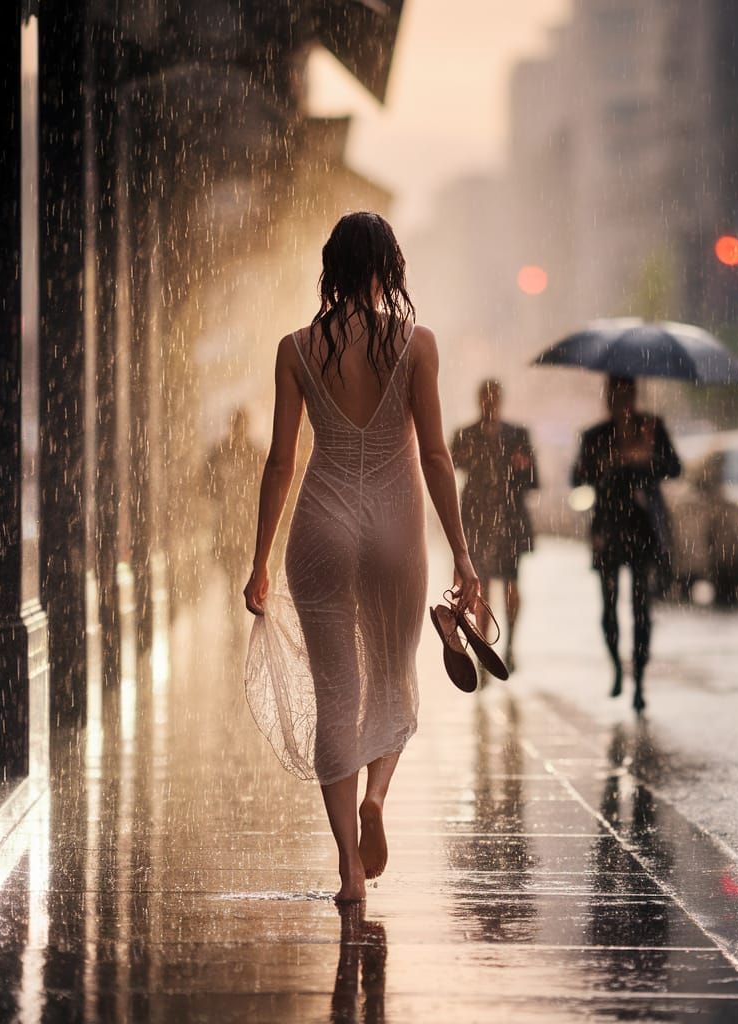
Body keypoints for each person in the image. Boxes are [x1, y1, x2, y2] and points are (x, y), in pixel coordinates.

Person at [243, 212, 480, 903]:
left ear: (332, 269)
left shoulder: (296, 347)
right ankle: (377, 796)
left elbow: (280, 462)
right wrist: (462, 554)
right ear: (389, 269)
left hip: (319, 524)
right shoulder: (417, 344)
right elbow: (435, 455)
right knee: (391, 678)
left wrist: (259, 559)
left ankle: (349, 868)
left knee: (335, 696)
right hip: (394, 528)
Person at [572, 375, 681, 712]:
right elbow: (578, 477)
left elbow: (674, 467)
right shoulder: (596, 435)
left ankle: (640, 678)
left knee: (641, 606)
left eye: (626, 395)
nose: (621, 402)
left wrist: (645, 457)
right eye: (615, 396)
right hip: (608, 527)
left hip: (642, 524)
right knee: (609, 605)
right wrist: (609, 461)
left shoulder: (651, 426)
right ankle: (618, 667)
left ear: (634, 396)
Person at [451, 380, 539, 675]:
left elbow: (532, 481)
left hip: (509, 521)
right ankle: (484, 649)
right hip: (477, 522)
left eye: (494, 398)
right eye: (486, 398)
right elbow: (452, 467)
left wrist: (521, 466)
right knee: (481, 586)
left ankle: (509, 645)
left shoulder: (517, 435)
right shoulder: (466, 434)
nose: (490, 403)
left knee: (510, 584)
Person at [204, 407, 263, 597]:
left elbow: (208, 488)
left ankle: (236, 609)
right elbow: (207, 487)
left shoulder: (248, 453)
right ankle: (235, 609)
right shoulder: (226, 453)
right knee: (234, 572)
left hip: (240, 524)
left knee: (237, 571)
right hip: (233, 524)